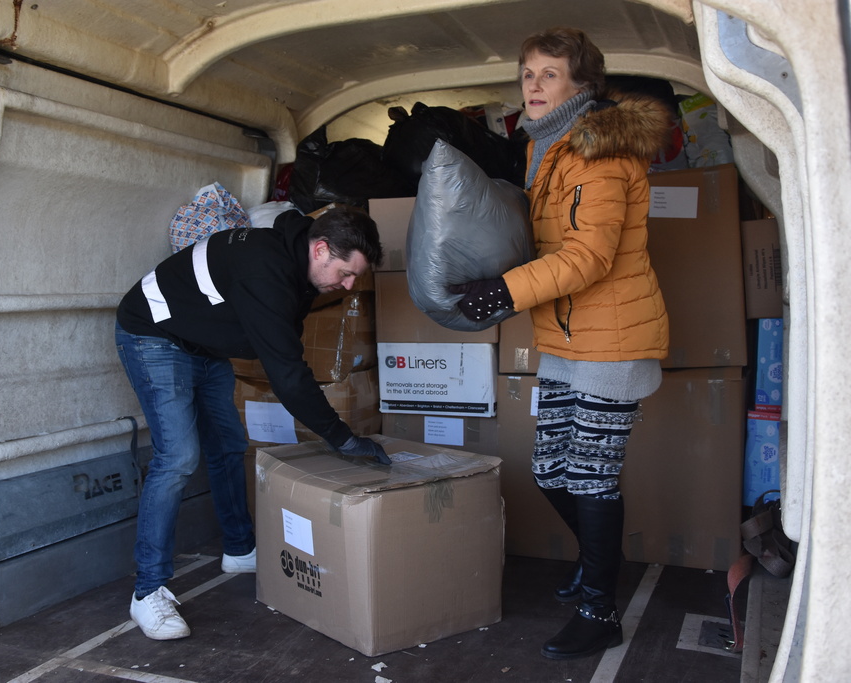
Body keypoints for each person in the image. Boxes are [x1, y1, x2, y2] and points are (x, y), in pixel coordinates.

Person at [450, 27, 671, 660]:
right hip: (566, 338)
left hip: (614, 341)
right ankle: (598, 560)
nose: (534, 84)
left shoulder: (600, 151)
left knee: (590, 477)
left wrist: (502, 292)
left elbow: (589, 256)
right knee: (550, 469)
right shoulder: (544, 147)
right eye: (527, 73)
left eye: (549, 73)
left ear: (583, 83)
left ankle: (600, 609)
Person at [115, 206, 389, 641]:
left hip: (203, 345)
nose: (349, 285)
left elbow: (284, 349)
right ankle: (147, 591)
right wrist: (343, 439)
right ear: (320, 250)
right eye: (346, 273)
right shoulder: (266, 271)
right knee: (178, 457)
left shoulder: (299, 269)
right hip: (153, 335)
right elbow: (288, 375)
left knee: (228, 444)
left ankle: (240, 549)